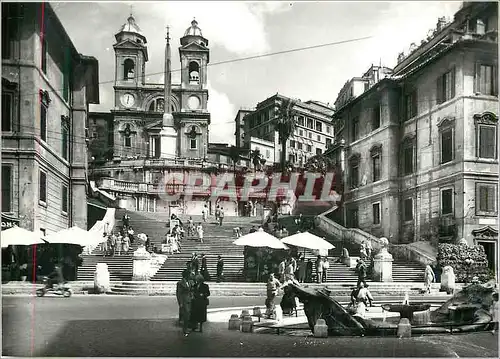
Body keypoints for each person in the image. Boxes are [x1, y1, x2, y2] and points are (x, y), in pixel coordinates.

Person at [176, 270, 194, 336]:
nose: (190, 276)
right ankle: (185, 329)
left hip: (189, 300)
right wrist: (180, 302)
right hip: (184, 300)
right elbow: (178, 294)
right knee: (186, 315)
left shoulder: (190, 282)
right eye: (189, 274)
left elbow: (191, 290)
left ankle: (187, 327)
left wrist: (192, 295)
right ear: (186, 275)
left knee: (189, 315)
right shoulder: (180, 283)